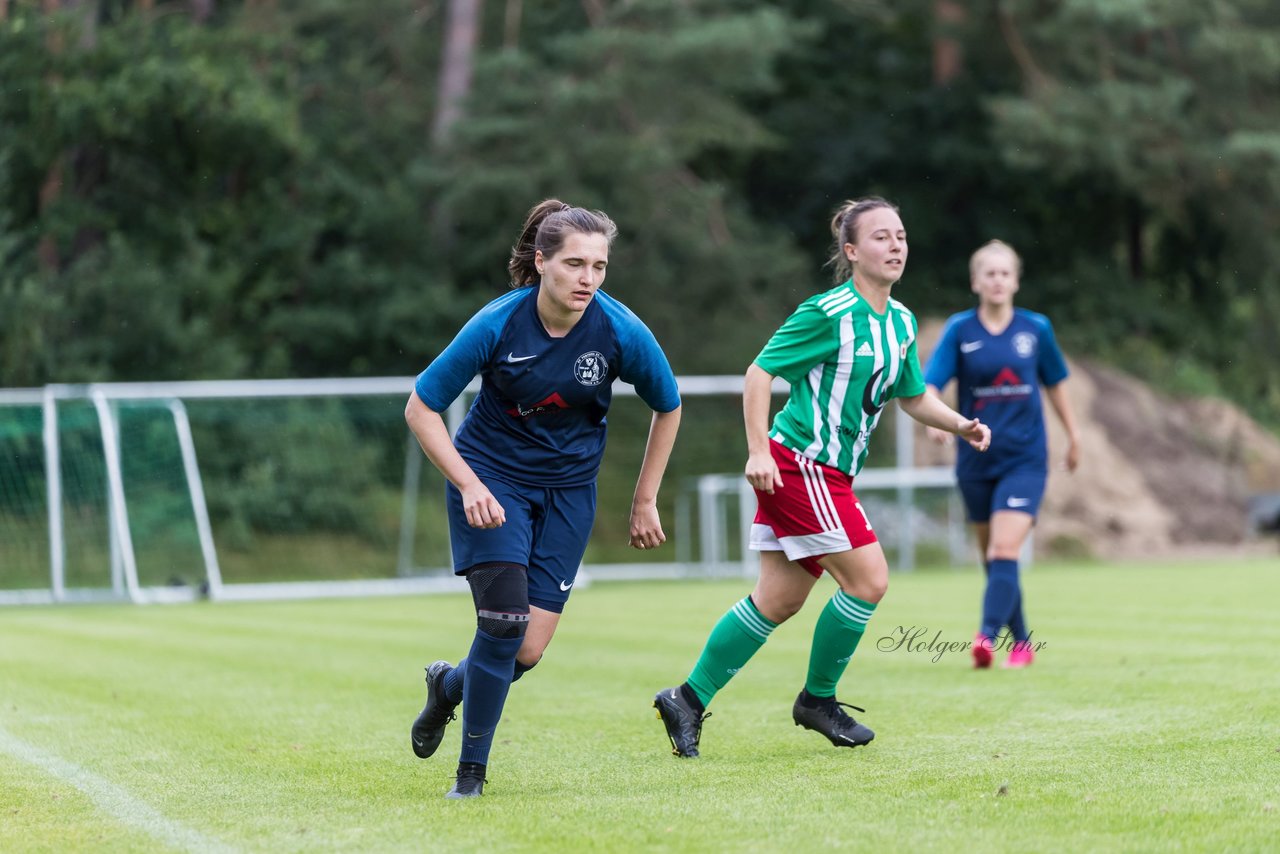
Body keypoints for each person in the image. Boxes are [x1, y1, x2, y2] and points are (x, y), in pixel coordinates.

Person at [652, 197, 990, 758]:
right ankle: (818, 699)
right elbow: (759, 374)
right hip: (800, 465)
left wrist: (960, 425)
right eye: (881, 237)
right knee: (869, 580)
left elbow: (911, 396)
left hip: (828, 474)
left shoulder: (901, 321)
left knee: (778, 600)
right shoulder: (828, 312)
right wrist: (757, 452)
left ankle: (686, 699)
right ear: (851, 251)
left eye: (901, 235)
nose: (896, 245)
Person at [405, 199, 682, 798]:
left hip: (569, 495)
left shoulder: (620, 330)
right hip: (494, 483)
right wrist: (469, 483)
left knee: (526, 649)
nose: (588, 279)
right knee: (504, 624)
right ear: (542, 262)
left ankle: (447, 687)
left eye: (600, 267)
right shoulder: (498, 323)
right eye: (575, 264)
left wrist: (644, 499)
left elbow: (669, 404)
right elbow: (421, 408)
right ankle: (470, 777)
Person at [922, 239, 1080, 669]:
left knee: (1004, 551)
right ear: (976, 281)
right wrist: (937, 421)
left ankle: (986, 639)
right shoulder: (960, 330)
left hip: (1025, 459)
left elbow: (1055, 383)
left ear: (1016, 281)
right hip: (975, 460)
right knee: (995, 559)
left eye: (1004, 273)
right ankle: (1023, 645)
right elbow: (930, 384)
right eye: (988, 273)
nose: (997, 280)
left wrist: (1073, 435)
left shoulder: (1036, 329)